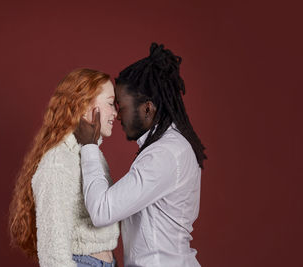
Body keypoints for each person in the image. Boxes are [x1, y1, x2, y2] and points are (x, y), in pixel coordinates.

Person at [75, 43, 206, 266]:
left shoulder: (165, 154)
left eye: (121, 106)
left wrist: (89, 146)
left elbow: (101, 211)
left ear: (147, 108)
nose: (117, 115)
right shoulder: (169, 147)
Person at [9, 69, 120, 267]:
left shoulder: (92, 154)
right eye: (110, 103)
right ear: (84, 105)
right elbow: (53, 252)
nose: (115, 113)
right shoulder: (57, 161)